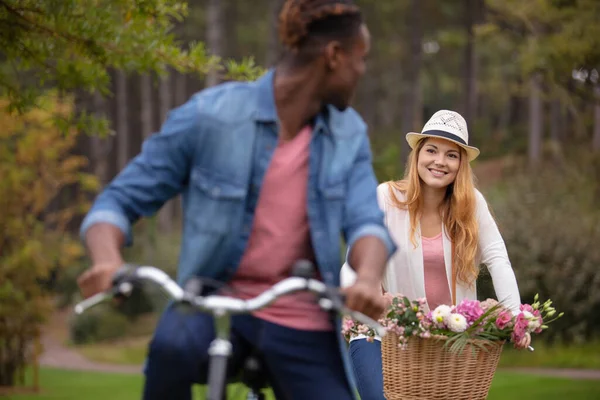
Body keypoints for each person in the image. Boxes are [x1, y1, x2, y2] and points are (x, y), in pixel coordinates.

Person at [76, 0, 396, 399]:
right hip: (207, 302)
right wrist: (107, 259)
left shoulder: (347, 134)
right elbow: (118, 202)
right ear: (334, 56)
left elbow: (367, 222)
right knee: (169, 351)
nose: (361, 72)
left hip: (300, 315)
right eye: (360, 59)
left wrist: (367, 277)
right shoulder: (211, 115)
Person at [341, 110, 522, 400]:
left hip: (446, 339)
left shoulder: (472, 205)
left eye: (452, 155)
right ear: (417, 155)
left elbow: (498, 259)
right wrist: (366, 294)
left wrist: (516, 318)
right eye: (432, 150)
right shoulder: (386, 198)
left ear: (461, 164)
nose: (440, 161)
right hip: (381, 333)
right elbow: (353, 262)